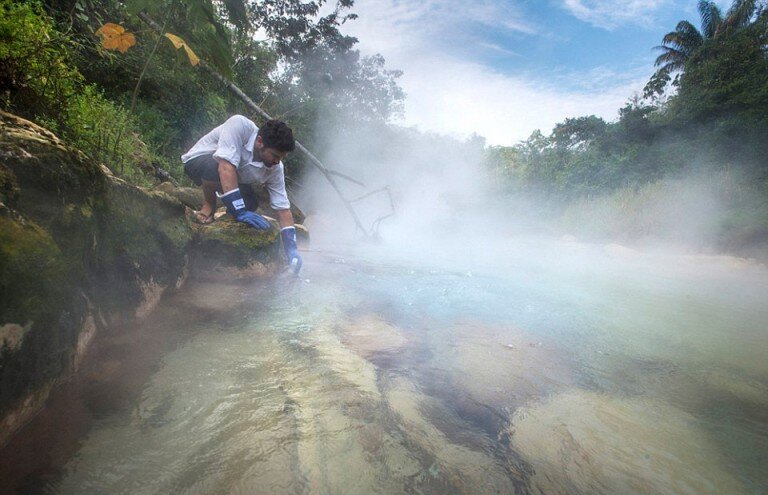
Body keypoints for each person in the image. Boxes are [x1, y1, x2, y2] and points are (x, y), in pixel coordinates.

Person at [181, 115, 302, 273]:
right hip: (199, 161)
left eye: (281, 158)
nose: (277, 161)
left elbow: (283, 209)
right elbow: (224, 167)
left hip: (232, 175)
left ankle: (225, 216)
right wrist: (239, 210)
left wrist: (292, 249)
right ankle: (209, 204)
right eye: (275, 156)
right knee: (217, 169)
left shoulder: (275, 169)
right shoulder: (240, 126)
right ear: (260, 142)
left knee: (251, 204)